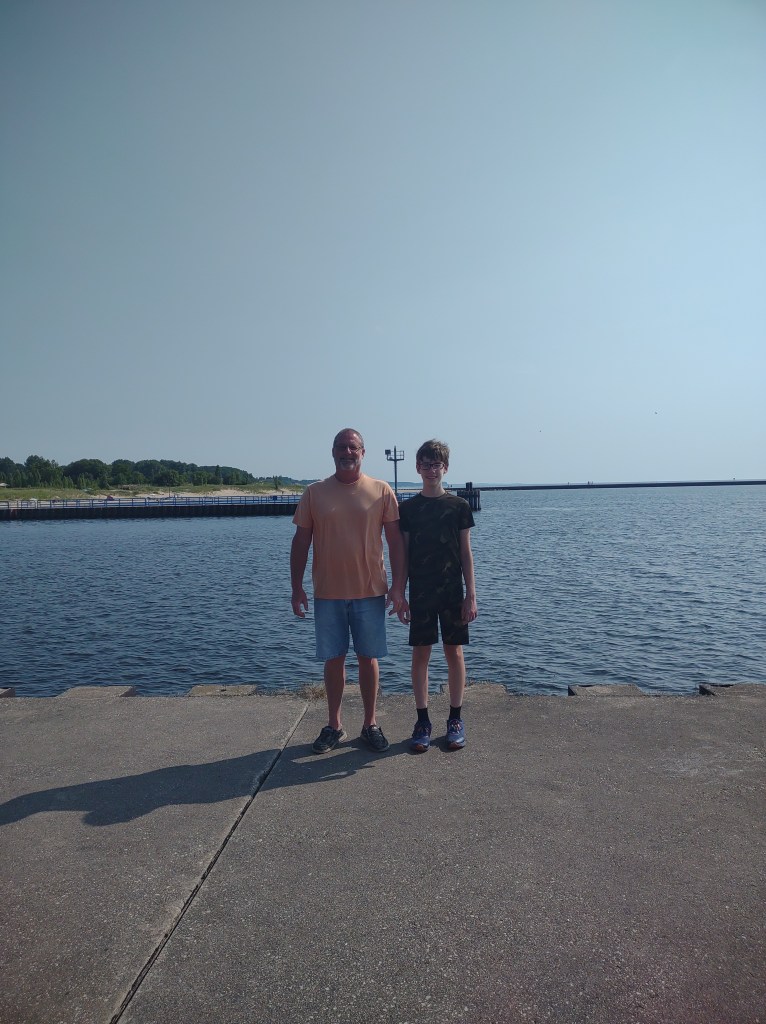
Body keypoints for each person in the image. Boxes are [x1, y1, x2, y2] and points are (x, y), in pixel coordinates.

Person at [290, 428, 407, 754]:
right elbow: (301, 542)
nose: (347, 452)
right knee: (334, 659)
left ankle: (370, 724)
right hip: (327, 592)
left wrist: (398, 587)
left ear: (363, 452)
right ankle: (335, 725)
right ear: (333, 452)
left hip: (370, 591)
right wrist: (296, 587)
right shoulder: (314, 493)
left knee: (368, 658)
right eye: (341, 447)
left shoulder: (381, 490)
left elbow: (396, 541)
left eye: (353, 447)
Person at [398, 439, 477, 752]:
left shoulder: (458, 506)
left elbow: (466, 553)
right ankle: (422, 720)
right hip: (420, 593)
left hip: (452, 592)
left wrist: (471, 594)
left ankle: (455, 718)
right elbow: (402, 556)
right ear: (418, 468)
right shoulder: (408, 509)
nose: (432, 470)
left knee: (454, 653)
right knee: (421, 656)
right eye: (426, 464)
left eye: (437, 464)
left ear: (446, 468)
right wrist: (399, 594)